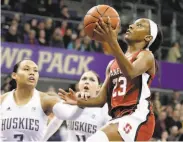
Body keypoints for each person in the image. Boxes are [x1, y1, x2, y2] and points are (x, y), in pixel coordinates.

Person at [59, 17, 163, 141]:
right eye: (133, 23)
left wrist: (111, 40)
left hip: (137, 118)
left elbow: (130, 72)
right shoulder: (112, 64)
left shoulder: (146, 55)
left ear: (148, 38)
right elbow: (100, 100)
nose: (131, 26)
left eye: (139, 25)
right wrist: (78, 102)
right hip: (118, 118)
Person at [0, 59, 83, 141]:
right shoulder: (2, 100)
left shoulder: (46, 100)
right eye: (26, 69)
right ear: (14, 75)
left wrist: (78, 104)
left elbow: (68, 115)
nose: (32, 73)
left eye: (35, 70)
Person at [43, 71, 111, 141]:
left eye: (92, 80)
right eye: (84, 79)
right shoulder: (70, 101)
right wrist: (42, 139)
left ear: (99, 88)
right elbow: (55, 123)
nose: (87, 82)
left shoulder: (104, 108)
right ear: (79, 84)